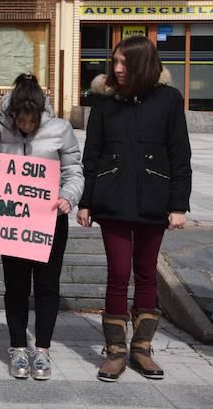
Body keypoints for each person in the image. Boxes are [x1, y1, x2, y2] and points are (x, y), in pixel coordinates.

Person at [78, 36, 190, 382]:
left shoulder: (168, 99)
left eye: (124, 63)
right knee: (118, 273)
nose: (117, 68)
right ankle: (115, 351)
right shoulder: (104, 99)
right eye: (115, 62)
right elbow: (92, 152)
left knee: (145, 273)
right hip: (111, 198)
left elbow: (179, 153)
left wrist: (178, 205)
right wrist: (85, 200)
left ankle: (142, 349)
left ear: (143, 64)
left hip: (153, 200)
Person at [0, 74, 84, 380]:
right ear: (12, 114)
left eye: (30, 121)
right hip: (12, 221)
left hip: (51, 220)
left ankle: (43, 349)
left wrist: (67, 198)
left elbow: (74, 171)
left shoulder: (60, 129)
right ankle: (18, 346)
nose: (25, 126)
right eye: (20, 120)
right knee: (16, 286)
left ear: (39, 114)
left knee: (47, 285)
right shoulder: (0, 128)